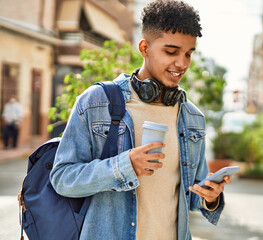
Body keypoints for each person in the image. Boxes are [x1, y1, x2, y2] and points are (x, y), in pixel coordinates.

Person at [50, 1, 231, 239]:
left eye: (188, 54)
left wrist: (211, 197)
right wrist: (124, 167)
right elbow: (62, 178)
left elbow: (191, 194)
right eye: (171, 51)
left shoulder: (192, 117)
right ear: (144, 47)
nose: (182, 64)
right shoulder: (97, 102)